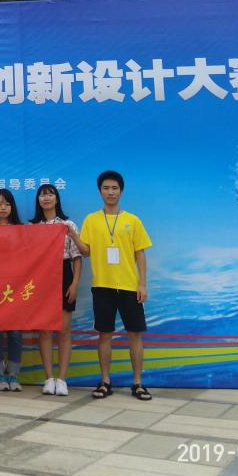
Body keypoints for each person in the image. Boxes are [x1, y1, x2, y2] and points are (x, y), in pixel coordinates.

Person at [79, 170, 153, 401]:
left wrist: (142, 284)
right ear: (99, 191)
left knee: (135, 335)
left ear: (121, 191)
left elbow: (140, 254)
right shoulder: (91, 220)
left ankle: (137, 382)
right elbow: (86, 251)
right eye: (106, 188)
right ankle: (105, 381)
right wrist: (72, 236)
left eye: (114, 188)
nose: (110, 192)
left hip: (130, 287)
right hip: (102, 286)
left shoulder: (133, 220)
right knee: (105, 335)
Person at [31, 183, 84, 396]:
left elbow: (77, 257)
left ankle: (62, 379)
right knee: (44, 330)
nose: (46, 198)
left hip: (64, 275)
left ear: (56, 198)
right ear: (38, 200)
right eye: (42, 195)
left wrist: (74, 283)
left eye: (50, 194)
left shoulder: (67, 225)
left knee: (64, 329)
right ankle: (48, 378)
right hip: (41, 277)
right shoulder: (33, 226)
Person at [0, 189, 25, 392]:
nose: (3, 208)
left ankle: (13, 374)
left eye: (7, 204)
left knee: (16, 333)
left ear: (12, 207)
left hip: (16, 288)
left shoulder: (22, 230)